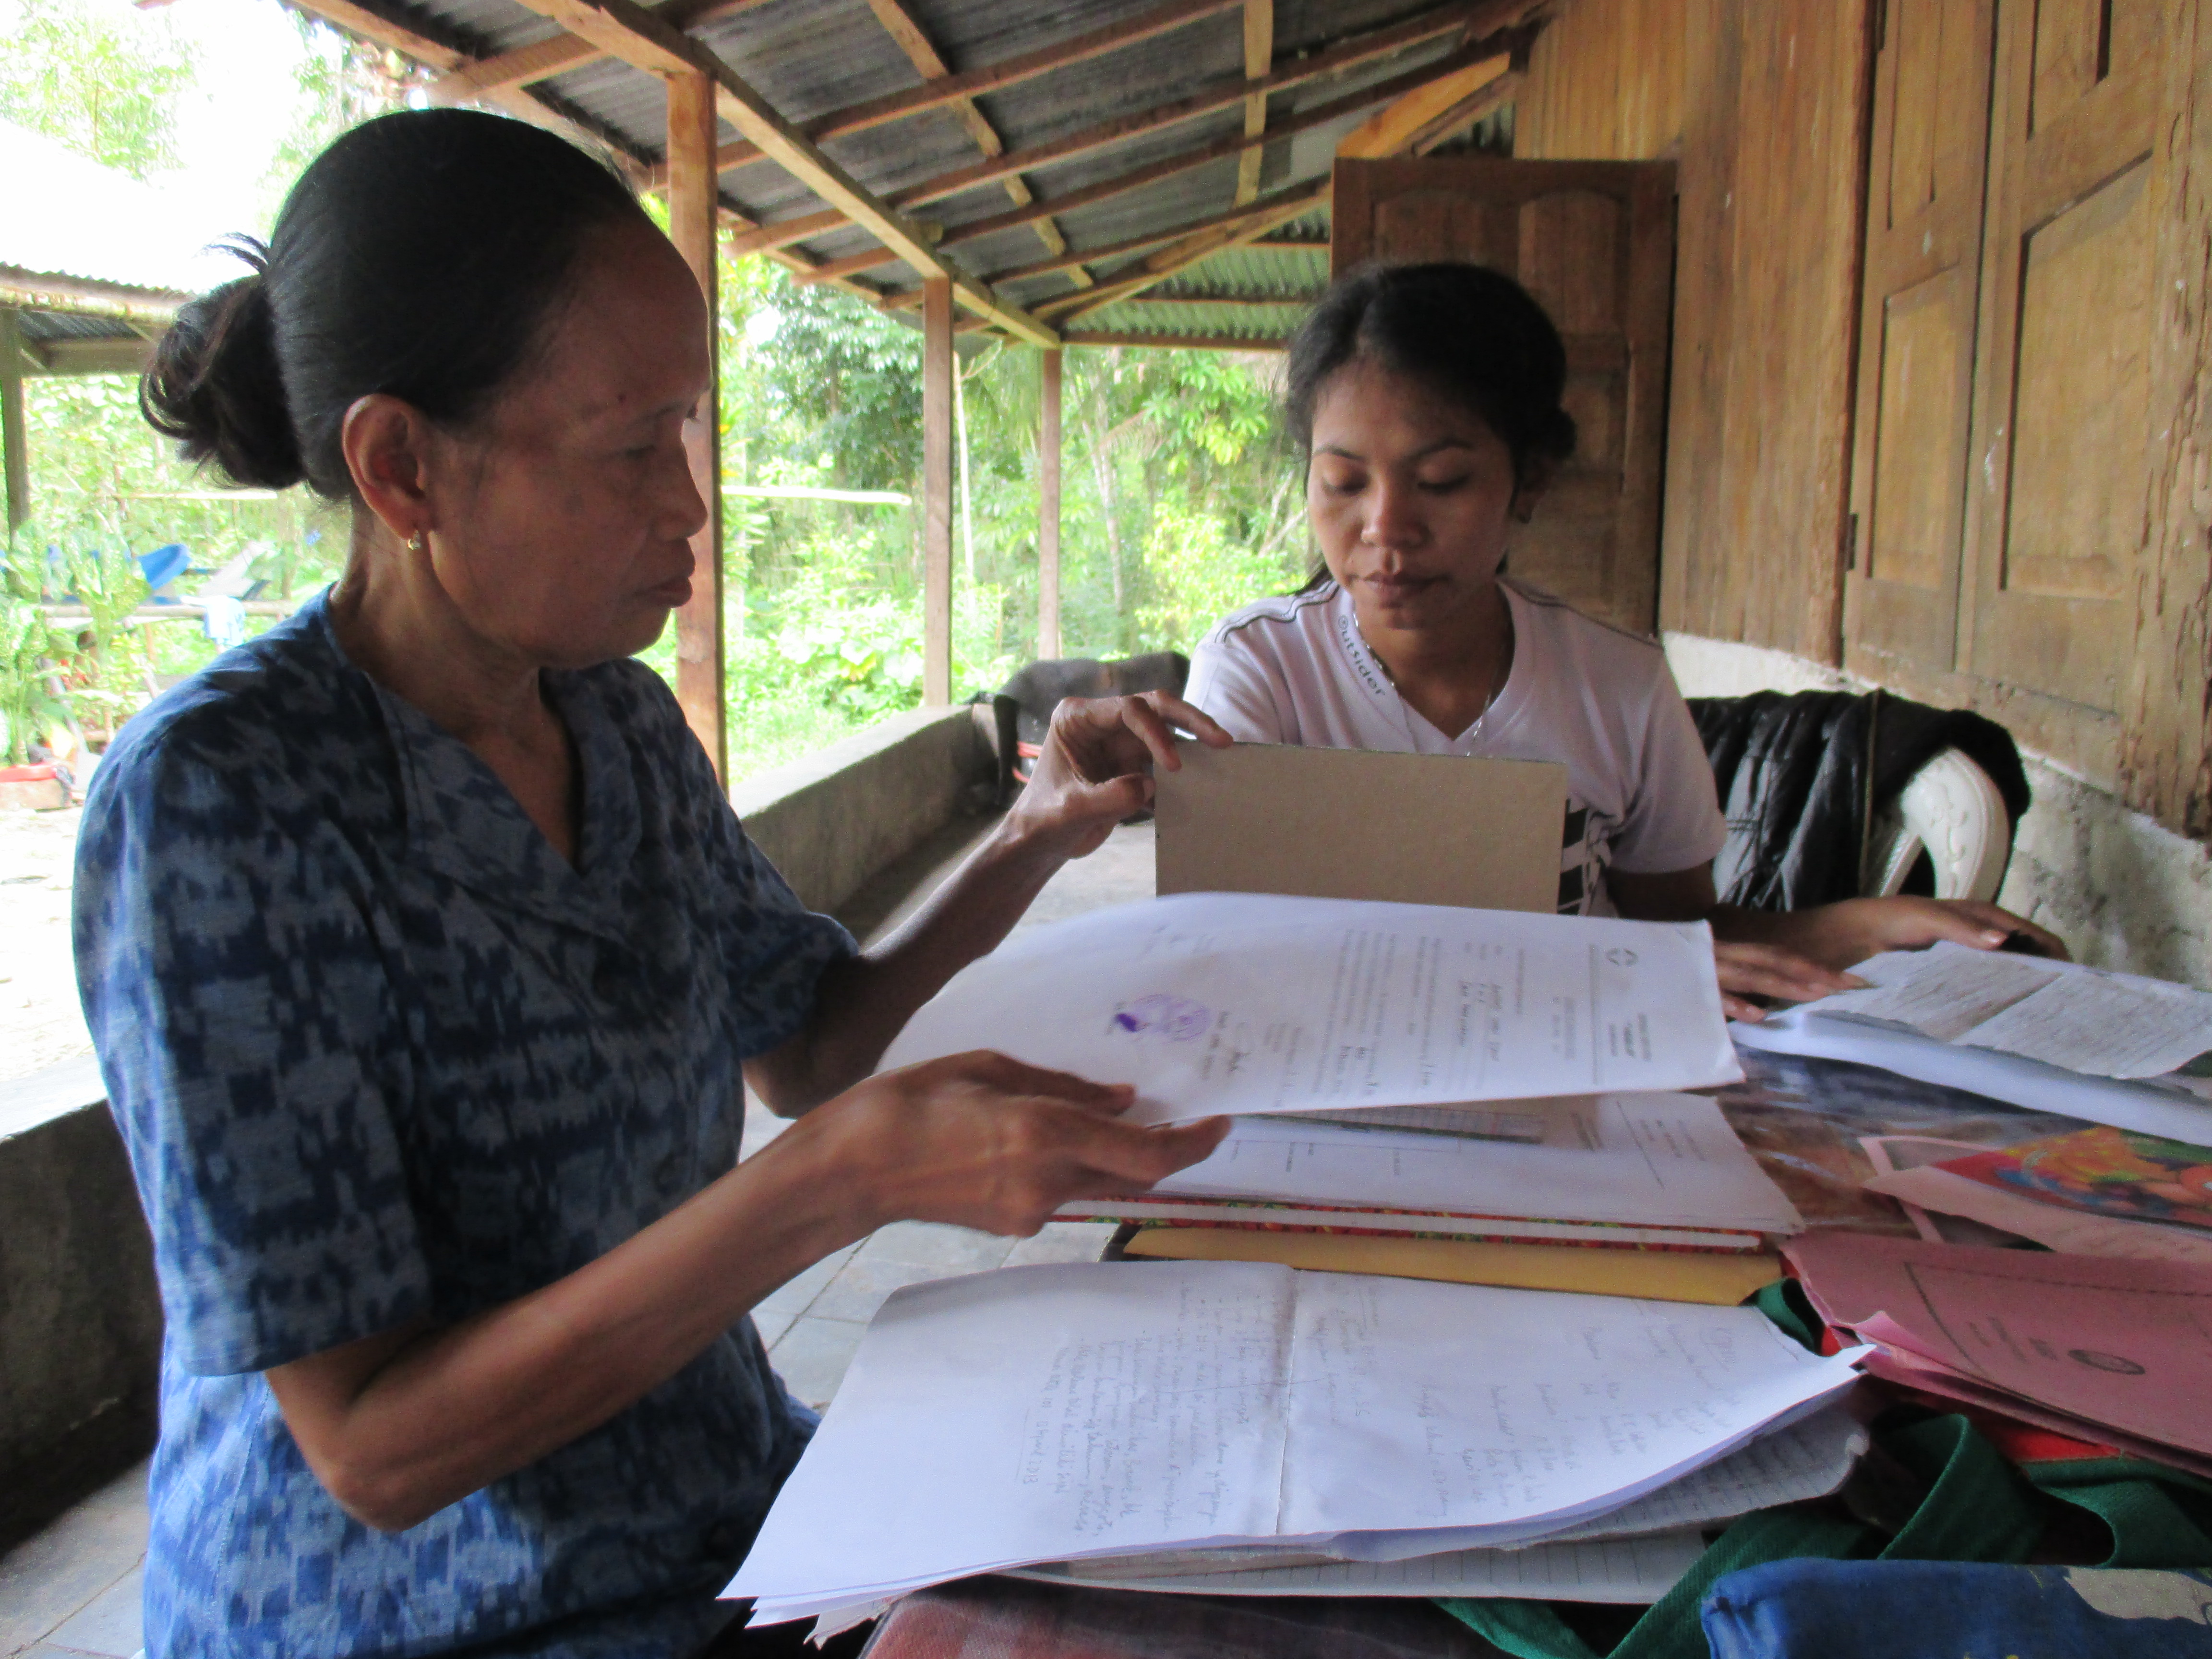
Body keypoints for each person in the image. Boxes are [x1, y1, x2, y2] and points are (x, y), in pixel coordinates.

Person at [80, 109, 1230, 1659]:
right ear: (403, 465)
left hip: (719, 1510)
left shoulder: (609, 720)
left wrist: (1031, 834)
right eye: (635, 447)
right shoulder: (226, 800)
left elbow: (808, 1045)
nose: (689, 502)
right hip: (427, 1617)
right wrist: (830, 1186)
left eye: (687, 432)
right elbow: (374, 1451)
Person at [1183, 263, 2065, 1019]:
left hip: (1580, 1077)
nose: (1386, 528)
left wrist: (1873, 925)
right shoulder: (1261, 671)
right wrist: (1601, 972)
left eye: (1442, 481)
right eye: (1344, 482)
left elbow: (1679, 933)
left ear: (1530, 482)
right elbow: (1220, 951)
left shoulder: (1618, 683)